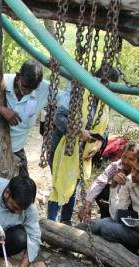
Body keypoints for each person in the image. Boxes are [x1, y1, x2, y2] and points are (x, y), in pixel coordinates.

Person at [0, 60, 63, 180]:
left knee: (23, 188)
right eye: (24, 87)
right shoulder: (0, 82)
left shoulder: (44, 89)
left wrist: (62, 70)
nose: (26, 92)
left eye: (31, 89)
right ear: (18, 76)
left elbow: (67, 98)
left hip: (15, 147)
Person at [46, 67, 114, 224]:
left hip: (84, 153)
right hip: (62, 149)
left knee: (73, 186)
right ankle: (50, 223)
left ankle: (65, 222)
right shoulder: (78, 95)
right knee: (59, 183)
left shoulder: (106, 104)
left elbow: (105, 130)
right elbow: (59, 117)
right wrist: (78, 131)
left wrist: (98, 144)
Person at [78, 142, 139, 222]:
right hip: (114, 201)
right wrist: (87, 205)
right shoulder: (116, 166)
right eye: (124, 157)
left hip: (130, 208)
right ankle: (105, 217)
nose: (125, 161)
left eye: (131, 159)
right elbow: (99, 182)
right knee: (103, 190)